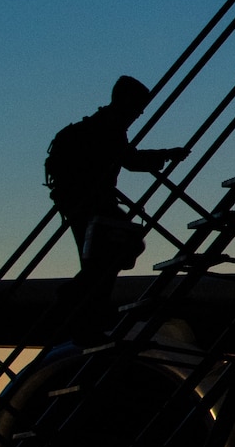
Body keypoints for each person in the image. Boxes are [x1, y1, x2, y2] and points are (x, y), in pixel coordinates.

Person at [45, 76, 187, 343]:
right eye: (137, 108)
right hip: (94, 205)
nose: (138, 115)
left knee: (102, 262)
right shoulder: (110, 126)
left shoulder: (99, 125)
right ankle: (76, 305)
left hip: (79, 205)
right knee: (113, 255)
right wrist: (166, 154)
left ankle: (84, 318)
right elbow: (130, 159)